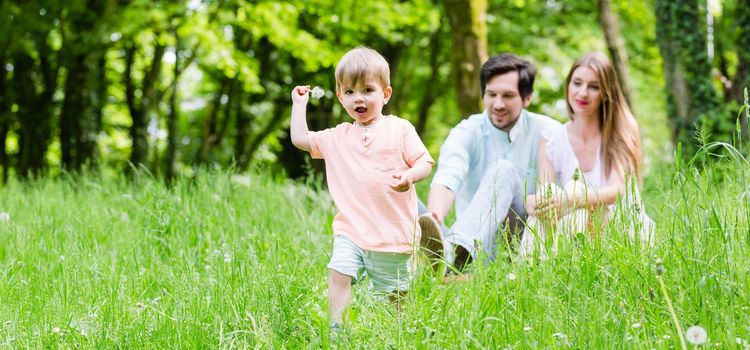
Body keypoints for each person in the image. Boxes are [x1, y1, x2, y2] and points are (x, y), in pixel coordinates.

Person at [289, 47, 434, 334]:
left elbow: (425, 161)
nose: (359, 98)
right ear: (340, 97)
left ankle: (399, 333)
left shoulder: (400, 129)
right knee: (338, 271)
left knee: (395, 298)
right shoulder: (337, 137)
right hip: (351, 230)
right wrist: (298, 105)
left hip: (393, 233)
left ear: (385, 94)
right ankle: (337, 329)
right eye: (350, 91)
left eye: (367, 89)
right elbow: (300, 139)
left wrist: (410, 175)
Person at [418, 53, 560, 271]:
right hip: (468, 246)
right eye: (491, 94)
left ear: (527, 97)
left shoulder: (547, 131)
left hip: (520, 247)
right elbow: (448, 177)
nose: (498, 104)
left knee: (503, 170)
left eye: (508, 96)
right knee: (393, 188)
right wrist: (434, 217)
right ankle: (443, 255)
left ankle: (451, 256)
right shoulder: (468, 130)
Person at [518, 52, 654, 257]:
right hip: (573, 229)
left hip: (618, 229)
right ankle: (529, 272)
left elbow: (619, 189)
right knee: (548, 203)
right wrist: (533, 203)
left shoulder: (620, 131)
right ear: (568, 86)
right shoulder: (550, 139)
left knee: (575, 187)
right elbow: (546, 190)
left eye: (594, 87)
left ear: (607, 92)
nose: (582, 93)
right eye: (577, 83)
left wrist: (572, 199)